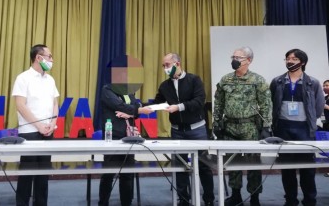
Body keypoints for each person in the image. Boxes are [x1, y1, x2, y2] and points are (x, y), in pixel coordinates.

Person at [150, 53, 215, 206]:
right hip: (177, 131)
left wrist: (178, 107)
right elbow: (159, 102)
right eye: (163, 66)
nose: (165, 68)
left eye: (167, 65)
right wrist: (146, 108)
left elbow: (199, 101)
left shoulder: (194, 80)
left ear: (177, 64)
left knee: (204, 166)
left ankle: (209, 199)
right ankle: (183, 200)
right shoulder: (165, 86)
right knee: (180, 166)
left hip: (197, 130)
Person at [213, 46, 272, 206]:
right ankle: (236, 194)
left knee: (253, 163)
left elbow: (266, 104)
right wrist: (216, 122)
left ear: (249, 60)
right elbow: (219, 103)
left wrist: (266, 127)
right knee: (232, 162)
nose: (234, 60)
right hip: (230, 126)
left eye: (238, 57)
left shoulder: (257, 80)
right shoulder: (225, 79)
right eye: (233, 56)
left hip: (250, 126)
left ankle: (254, 196)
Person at [270, 49, 324, 206]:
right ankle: (290, 200)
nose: (290, 61)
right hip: (283, 129)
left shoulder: (312, 82)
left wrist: (311, 120)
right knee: (287, 168)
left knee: (307, 168)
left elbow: (319, 106)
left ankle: (310, 200)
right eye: (287, 58)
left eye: (294, 58)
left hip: (304, 130)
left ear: (303, 62)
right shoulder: (277, 81)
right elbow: (273, 103)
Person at [12, 44, 59, 206]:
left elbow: (55, 104)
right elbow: (20, 105)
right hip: (29, 132)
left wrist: (53, 123)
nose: (52, 60)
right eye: (49, 56)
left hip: (48, 132)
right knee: (27, 174)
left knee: (43, 174)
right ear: (38, 58)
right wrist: (39, 126)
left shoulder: (50, 80)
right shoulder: (23, 78)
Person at [98, 84, 153, 206]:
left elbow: (136, 106)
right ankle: (103, 203)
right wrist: (134, 110)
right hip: (112, 138)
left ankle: (127, 203)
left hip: (129, 138)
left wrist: (130, 113)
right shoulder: (107, 90)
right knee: (108, 174)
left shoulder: (129, 92)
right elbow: (119, 105)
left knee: (127, 174)